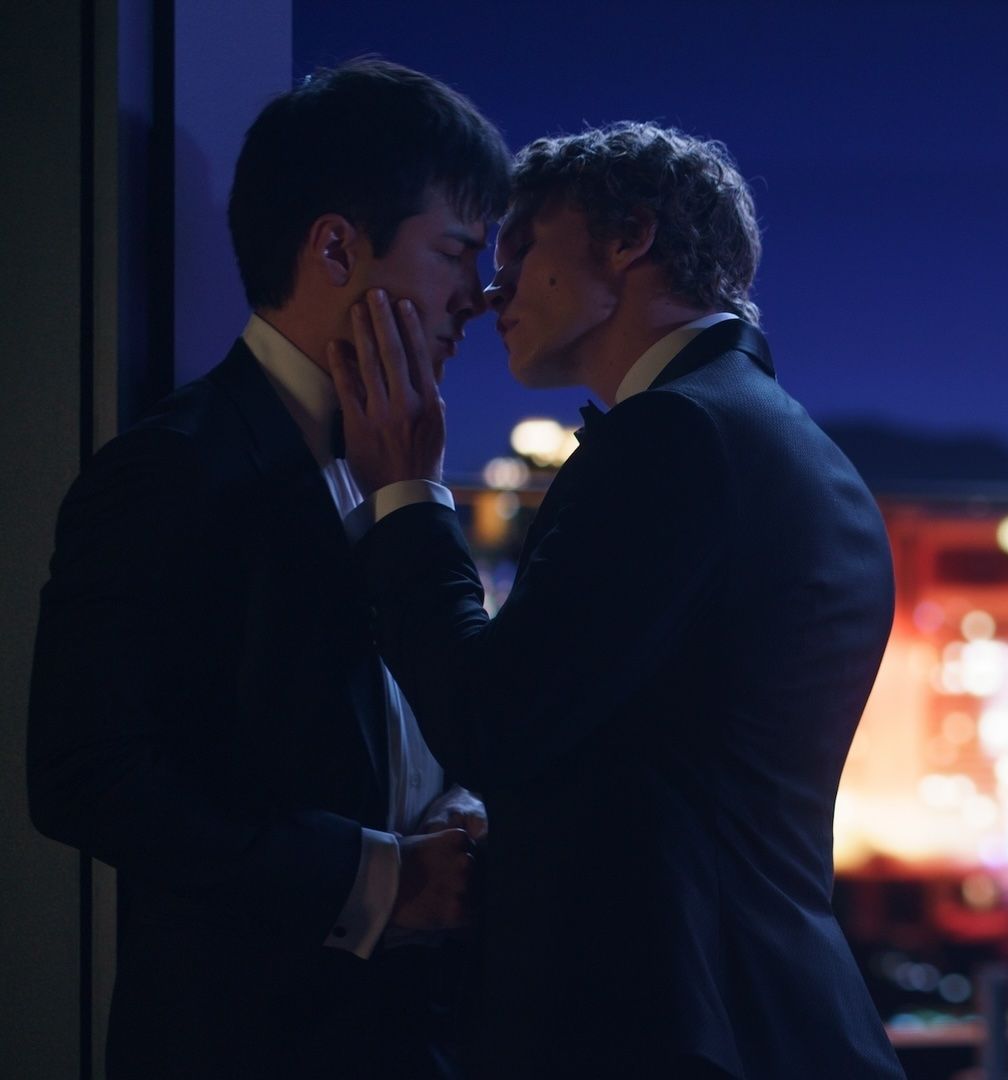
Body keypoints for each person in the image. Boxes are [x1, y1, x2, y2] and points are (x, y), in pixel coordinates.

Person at [329, 121, 905, 1078]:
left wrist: (407, 492)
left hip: (670, 1021)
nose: (489, 289)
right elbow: (655, 735)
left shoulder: (672, 439)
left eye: (522, 249)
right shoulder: (776, 439)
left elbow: (492, 716)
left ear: (630, 238)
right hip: (754, 1002)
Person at [28, 58, 510, 1078]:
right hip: (248, 1039)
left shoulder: (398, 457)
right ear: (336, 245)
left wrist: (453, 814)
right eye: (456, 252)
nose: (478, 296)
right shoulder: (173, 468)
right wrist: (376, 880)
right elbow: (85, 778)